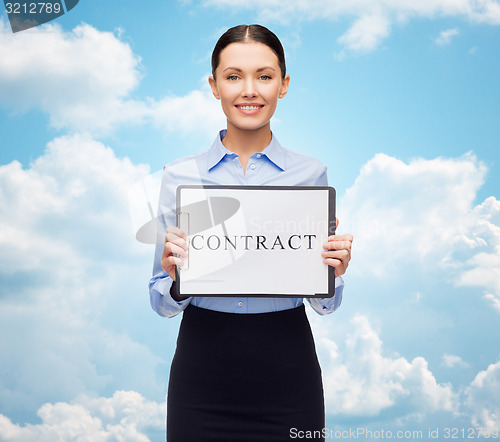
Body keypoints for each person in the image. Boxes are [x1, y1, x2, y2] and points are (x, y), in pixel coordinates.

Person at [149, 24, 353, 442]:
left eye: (264, 76)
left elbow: (325, 305)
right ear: (214, 85)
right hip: (201, 369)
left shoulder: (311, 174)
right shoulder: (179, 176)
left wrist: (331, 272)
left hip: (288, 368)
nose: (249, 90)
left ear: (283, 85)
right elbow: (160, 300)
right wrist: (175, 279)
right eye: (233, 76)